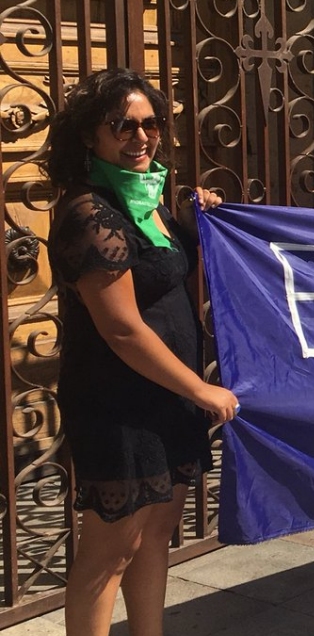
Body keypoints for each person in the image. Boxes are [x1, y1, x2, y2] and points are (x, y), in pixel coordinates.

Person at [44, 68, 240, 636]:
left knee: (155, 538)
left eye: (150, 124)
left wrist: (189, 221)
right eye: (122, 127)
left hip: (168, 399)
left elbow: (164, 280)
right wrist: (201, 387)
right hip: (118, 407)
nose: (141, 137)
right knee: (109, 554)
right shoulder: (89, 214)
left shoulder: (149, 200)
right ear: (90, 137)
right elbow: (124, 329)